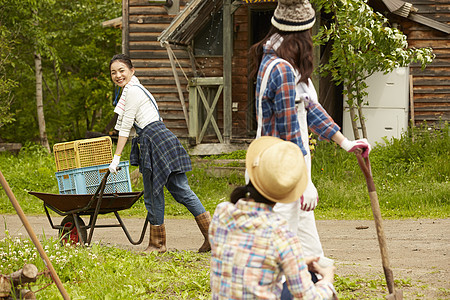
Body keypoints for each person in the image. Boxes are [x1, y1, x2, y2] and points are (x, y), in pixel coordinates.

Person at [248, 0, 371, 268]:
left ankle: (317, 288)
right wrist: (302, 182)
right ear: (300, 34)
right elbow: (289, 128)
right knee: (276, 254)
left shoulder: (285, 63)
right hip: (278, 171)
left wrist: (345, 141)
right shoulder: (280, 69)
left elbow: (308, 108)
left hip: (287, 167)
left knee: (310, 251)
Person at [209, 136, 337, 299]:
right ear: (286, 193)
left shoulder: (222, 213)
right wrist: (327, 279)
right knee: (313, 279)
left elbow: (246, 262)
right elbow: (307, 296)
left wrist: (298, 263)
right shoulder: (281, 234)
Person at [107, 54, 211, 253]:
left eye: (122, 70)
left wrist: (116, 158)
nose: (118, 75)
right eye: (114, 72)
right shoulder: (137, 89)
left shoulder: (133, 92)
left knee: (154, 193)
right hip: (165, 138)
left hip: (154, 141)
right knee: (181, 190)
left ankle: (157, 244)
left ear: (132, 71)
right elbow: (129, 127)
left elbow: (126, 126)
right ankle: (213, 236)